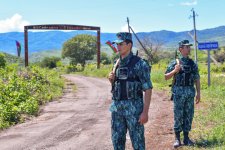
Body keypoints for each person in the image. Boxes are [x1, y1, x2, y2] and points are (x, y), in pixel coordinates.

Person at [108, 32, 153, 150]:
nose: (118, 46)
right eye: (117, 44)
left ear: (129, 45)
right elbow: (118, 85)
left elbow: (148, 89)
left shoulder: (140, 64)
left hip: (134, 110)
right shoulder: (116, 63)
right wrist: (111, 80)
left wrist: (145, 112)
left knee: (138, 142)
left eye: (121, 44)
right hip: (117, 109)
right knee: (117, 141)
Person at [164, 40, 201, 148]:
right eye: (186, 47)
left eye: (189, 47)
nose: (189, 49)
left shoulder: (192, 63)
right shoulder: (175, 62)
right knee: (178, 116)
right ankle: (177, 139)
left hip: (190, 93)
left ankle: (186, 138)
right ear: (181, 49)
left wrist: (198, 93)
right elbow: (166, 77)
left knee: (188, 115)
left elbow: (197, 79)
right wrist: (175, 71)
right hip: (178, 94)